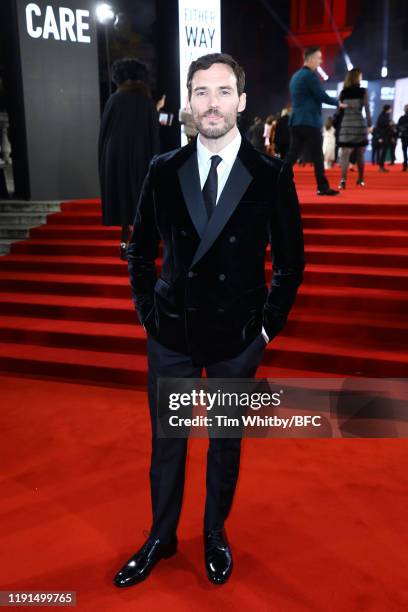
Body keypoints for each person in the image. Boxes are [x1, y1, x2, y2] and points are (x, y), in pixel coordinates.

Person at [113, 52, 304, 588]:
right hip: (172, 334)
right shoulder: (163, 169)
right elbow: (140, 251)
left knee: (224, 444)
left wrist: (264, 332)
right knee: (166, 444)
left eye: (223, 92)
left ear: (241, 102)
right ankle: (160, 535)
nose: (211, 103)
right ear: (188, 103)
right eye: (200, 92)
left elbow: (290, 264)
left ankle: (215, 531)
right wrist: (149, 315)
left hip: (235, 338)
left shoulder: (270, 175)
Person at [98, 58, 164, 260]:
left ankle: (124, 243)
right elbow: (154, 134)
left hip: (115, 155)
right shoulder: (146, 101)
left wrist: (103, 159)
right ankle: (142, 243)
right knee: (141, 197)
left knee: (122, 196)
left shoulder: (115, 99)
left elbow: (104, 133)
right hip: (142, 154)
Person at [286, 46, 344, 195]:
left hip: (296, 121)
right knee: (317, 156)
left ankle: (275, 180)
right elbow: (321, 95)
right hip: (309, 121)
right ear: (310, 59)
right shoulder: (310, 76)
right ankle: (322, 187)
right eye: (318, 58)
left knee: (292, 155)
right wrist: (338, 103)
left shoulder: (295, 76)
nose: (320, 61)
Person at [337, 68, 372, 189]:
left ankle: (342, 180)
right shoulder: (363, 91)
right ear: (357, 77)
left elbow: (338, 110)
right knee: (360, 154)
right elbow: (367, 109)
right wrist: (370, 124)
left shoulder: (343, 92)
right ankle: (360, 180)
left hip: (346, 125)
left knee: (345, 154)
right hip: (359, 125)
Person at [376, 104, 394, 172]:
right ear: (388, 109)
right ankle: (381, 167)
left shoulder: (385, 116)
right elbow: (379, 127)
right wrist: (380, 137)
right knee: (383, 151)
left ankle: (382, 166)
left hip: (386, 136)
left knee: (384, 151)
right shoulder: (382, 116)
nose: (391, 110)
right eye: (390, 109)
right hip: (383, 136)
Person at [397, 104, 408, 171]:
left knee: (404, 151)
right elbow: (398, 127)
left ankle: (405, 165)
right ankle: (405, 165)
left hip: (404, 136)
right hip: (404, 137)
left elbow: (398, 127)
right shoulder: (402, 118)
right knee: (404, 151)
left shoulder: (402, 118)